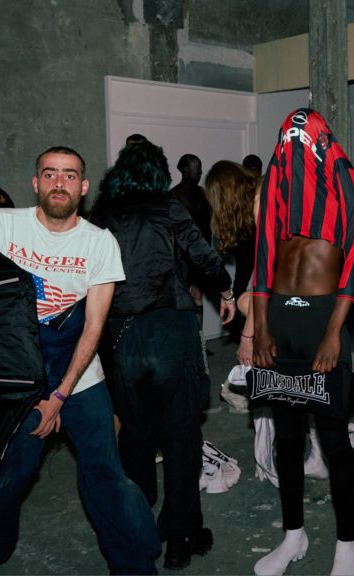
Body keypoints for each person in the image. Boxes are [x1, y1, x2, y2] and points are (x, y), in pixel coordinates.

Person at [0, 146, 160, 575]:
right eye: (50, 174)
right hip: (19, 369)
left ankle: (134, 563)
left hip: (78, 372)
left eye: (70, 176)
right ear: (36, 182)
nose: (59, 183)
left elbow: (93, 329)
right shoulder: (0, 225)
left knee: (105, 472)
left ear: (83, 187)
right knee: (9, 471)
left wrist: (60, 396)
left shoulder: (99, 243)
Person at [91, 142, 236, 571]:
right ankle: (180, 535)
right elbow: (204, 257)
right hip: (172, 332)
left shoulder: (101, 217)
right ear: (158, 174)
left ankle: (138, 527)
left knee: (134, 436)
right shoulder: (169, 209)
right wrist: (226, 291)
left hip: (123, 336)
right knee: (180, 436)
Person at [251, 108, 354, 576]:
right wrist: (260, 328)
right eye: (288, 138)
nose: (294, 147)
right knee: (287, 438)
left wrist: (335, 332)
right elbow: (262, 258)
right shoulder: (274, 186)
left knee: (335, 439)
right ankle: (293, 535)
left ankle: (348, 544)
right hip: (280, 321)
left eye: (305, 138)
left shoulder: (347, 184)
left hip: (323, 320)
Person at [205, 159, 260, 356]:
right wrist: (229, 296)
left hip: (291, 279)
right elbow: (246, 269)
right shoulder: (243, 216)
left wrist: (247, 337)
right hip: (256, 273)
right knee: (242, 300)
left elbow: (262, 280)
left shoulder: (261, 202)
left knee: (247, 302)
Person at [170, 154, 214, 316]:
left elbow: (211, 221)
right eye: (197, 167)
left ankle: (199, 338)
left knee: (197, 294)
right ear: (185, 169)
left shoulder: (202, 192)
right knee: (182, 297)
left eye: (201, 167)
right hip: (181, 256)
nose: (200, 171)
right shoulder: (173, 196)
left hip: (201, 253)